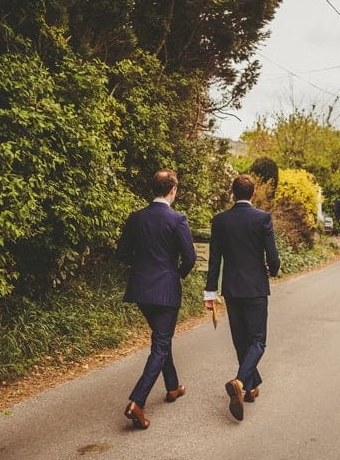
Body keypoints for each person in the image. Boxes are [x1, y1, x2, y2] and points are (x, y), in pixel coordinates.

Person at [116, 169, 196, 430]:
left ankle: (172, 387)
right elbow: (190, 258)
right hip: (165, 291)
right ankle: (137, 402)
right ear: (173, 190)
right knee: (161, 345)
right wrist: (176, 274)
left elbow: (122, 254)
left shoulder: (136, 218)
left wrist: (142, 267)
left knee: (162, 338)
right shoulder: (177, 219)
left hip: (141, 290)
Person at [204, 174, 280, 421]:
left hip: (232, 288)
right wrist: (274, 270)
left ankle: (251, 386)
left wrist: (210, 292)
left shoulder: (220, 221)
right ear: (253, 193)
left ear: (232, 193)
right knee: (257, 341)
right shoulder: (262, 218)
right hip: (256, 288)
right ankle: (239, 382)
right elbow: (273, 256)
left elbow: (214, 260)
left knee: (240, 340)